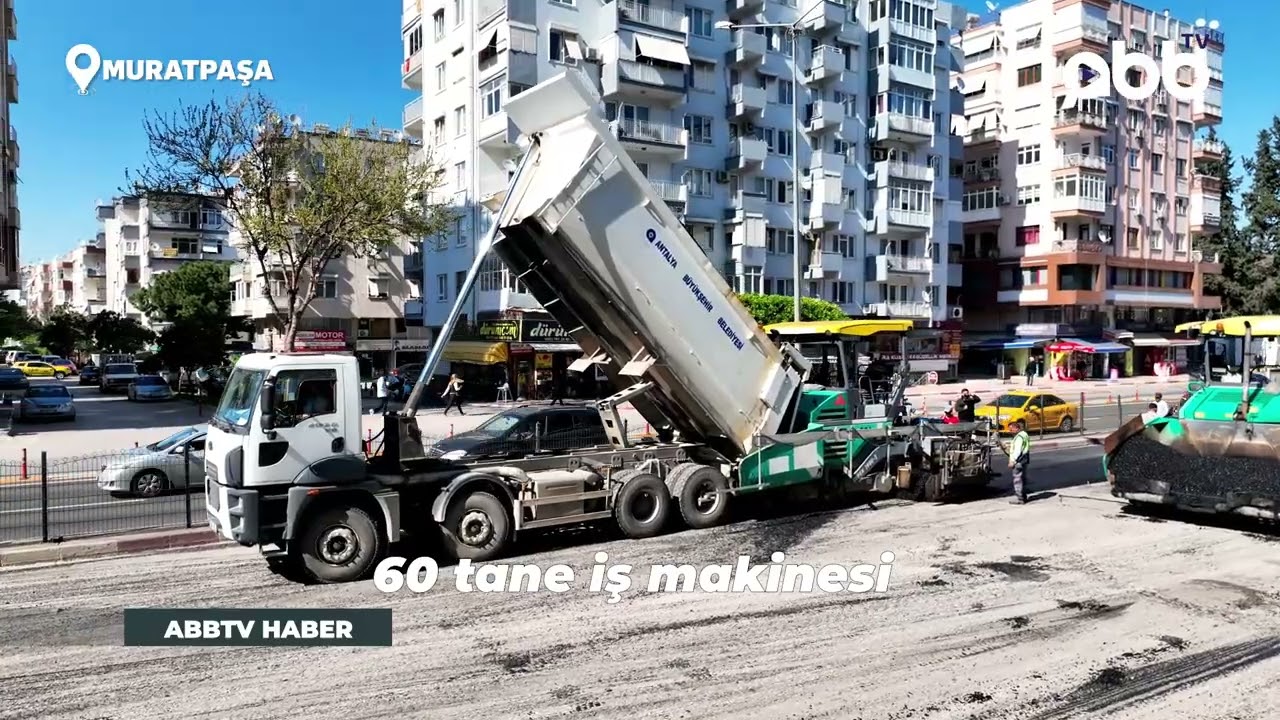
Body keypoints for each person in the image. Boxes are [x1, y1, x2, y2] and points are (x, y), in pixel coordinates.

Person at [1004, 419, 1031, 504]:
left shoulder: (1019, 437)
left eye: (1011, 429)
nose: (1010, 431)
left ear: (1016, 428)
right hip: (1024, 460)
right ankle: (1023, 496)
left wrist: (1013, 461)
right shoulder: (1024, 435)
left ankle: (1020, 499)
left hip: (1018, 461)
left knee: (1017, 479)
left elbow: (1018, 450)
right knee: (1023, 479)